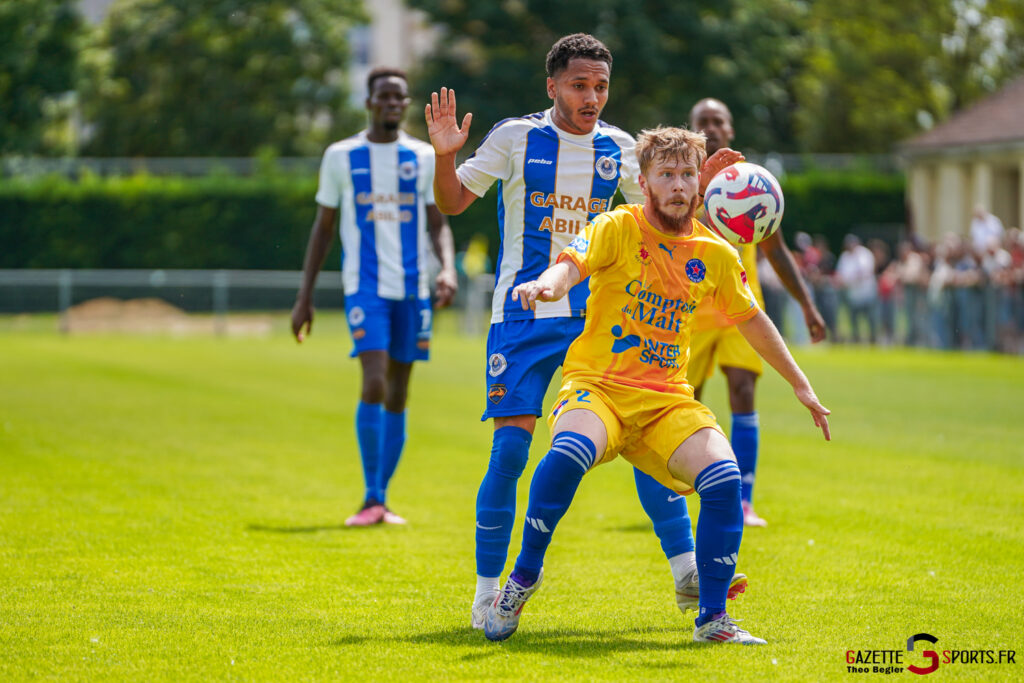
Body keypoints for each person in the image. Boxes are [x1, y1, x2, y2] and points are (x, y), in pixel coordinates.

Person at [425, 34, 746, 629]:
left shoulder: (623, 149)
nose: (591, 96)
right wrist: (446, 155)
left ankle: (685, 573)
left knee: (643, 437)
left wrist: (715, 202)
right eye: (579, 85)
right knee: (511, 452)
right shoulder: (514, 138)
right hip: (521, 314)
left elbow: (668, 224)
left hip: (598, 322)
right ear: (552, 87)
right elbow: (450, 203)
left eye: (600, 86)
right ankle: (487, 592)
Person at [484, 126, 830, 644]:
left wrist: (801, 385)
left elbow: (752, 319)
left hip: (667, 400)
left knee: (724, 480)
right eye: (666, 175)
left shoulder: (714, 251)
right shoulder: (616, 225)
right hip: (597, 387)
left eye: (687, 175)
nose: (678, 185)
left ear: (699, 186)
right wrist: (544, 286)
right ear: (643, 183)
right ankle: (522, 578)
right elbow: (569, 265)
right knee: (569, 450)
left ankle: (713, 619)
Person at [291, 67, 457, 527]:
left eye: (399, 97)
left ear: (406, 104)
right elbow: (323, 228)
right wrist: (304, 297)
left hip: (412, 289)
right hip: (365, 287)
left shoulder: (423, 157)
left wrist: (446, 268)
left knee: (400, 391)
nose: (391, 103)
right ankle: (370, 497)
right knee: (375, 380)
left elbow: (438, 222)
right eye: (383, 96)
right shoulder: (341, 157)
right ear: (368, 102)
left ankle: (380, 498)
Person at [686, 98, 826, 526]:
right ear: (691, 130)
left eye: (718, 121)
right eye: (702, 122)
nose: (711, 127)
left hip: (739, 307)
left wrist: (807, 305)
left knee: (743, 391)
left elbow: (776, 249)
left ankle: (743, 500)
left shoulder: (748, 183)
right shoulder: (682, 180)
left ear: (731, 130)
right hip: (687, 309)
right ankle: (678, 492)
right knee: (683, 402)